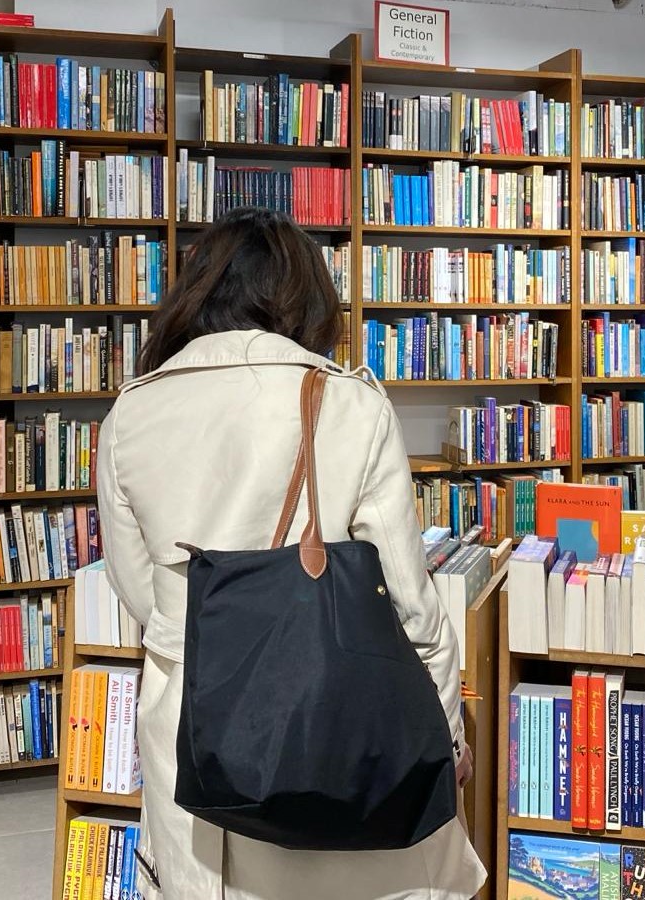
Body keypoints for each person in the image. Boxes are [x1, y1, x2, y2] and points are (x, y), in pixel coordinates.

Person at [96, 207, 487, 900]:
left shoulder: (130, 412)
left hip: (194, 730)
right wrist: (446, 734)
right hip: (331, 722)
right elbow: (409, 604)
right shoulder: (350, 403)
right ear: (306, 297)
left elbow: (140, 593)